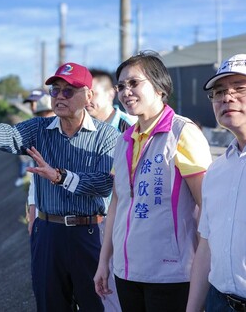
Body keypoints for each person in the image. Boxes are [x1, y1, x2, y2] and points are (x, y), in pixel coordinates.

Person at [0, 62, 120, 311]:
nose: (59, 96)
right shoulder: (39, 129)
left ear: (88, 95)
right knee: (49, 302)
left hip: (88, 233)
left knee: (95, 303)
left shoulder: (107, 136)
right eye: (55, 90)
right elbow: (9, 135)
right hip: (47, 232)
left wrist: (60, 176)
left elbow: (104, 184)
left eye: (68, 91)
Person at [93, 50, 212, 311]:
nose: (126, 92)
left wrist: (204, 270)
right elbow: (117, 204)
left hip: (171, 275)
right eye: (121, 86)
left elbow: (209, 206)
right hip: (126, 272)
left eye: (134, 83)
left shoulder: (182, 133)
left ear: (160, 88)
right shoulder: (124, 140)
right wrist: (105, 262)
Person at [186, 54, 246, 311]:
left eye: (241, 88)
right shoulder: (216, 170)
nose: (227, 97)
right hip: (219, 302)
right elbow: (206, 246)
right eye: (219, 92)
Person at [88, 68, 135, 312]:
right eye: (82, 93)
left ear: (111, 94)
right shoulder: (81, 129)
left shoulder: (129, 129)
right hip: (88, 227)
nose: (87, 100)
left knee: (117, 292)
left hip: (120, 224)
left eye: (92, 93)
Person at [21, 89, 55, 235]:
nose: (33, 106)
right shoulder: (39, 130)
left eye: (36, 102)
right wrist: (32, 208)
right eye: (31, 103)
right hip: (44, 212)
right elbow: (36, 178)